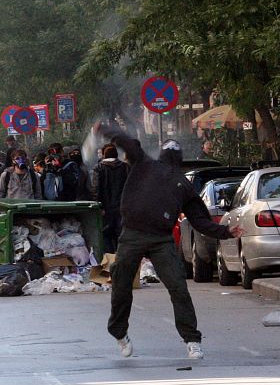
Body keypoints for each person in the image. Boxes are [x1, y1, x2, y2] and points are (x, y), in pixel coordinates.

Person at [95, 123, 243, 359]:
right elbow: (201, 222)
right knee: (126, 285)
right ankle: (122, 332)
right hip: (135, 234)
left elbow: (199, 219)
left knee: (176, 287)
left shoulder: (176, 180)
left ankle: (190, 339)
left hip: (158, 239)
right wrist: (224, 231)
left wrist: (225, 231)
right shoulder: (146, 165)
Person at [90, 143, 129, 253]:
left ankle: (109, 261)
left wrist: (98, 206)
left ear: (104, 155)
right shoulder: (125, 167)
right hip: (122, 208)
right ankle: (121, 258)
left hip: (105, 209)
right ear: (117, 155)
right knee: (121, 235)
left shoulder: (99, 168)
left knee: (106, 235)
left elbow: (95, 189)